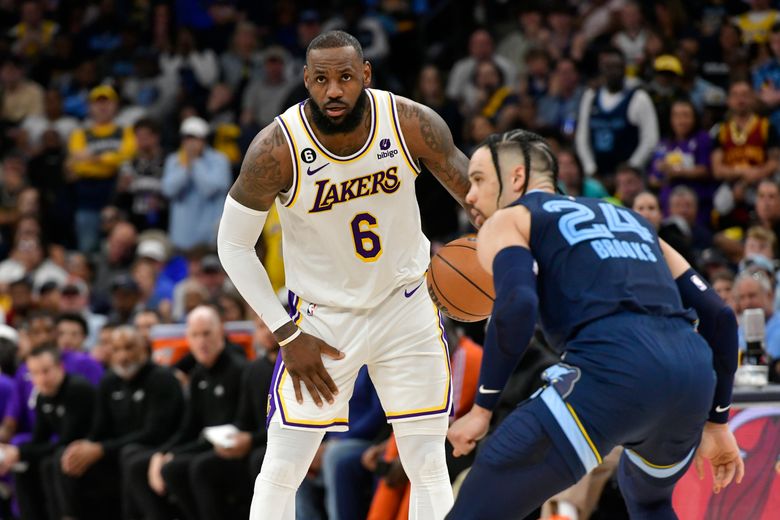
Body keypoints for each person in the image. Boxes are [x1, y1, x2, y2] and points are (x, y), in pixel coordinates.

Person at [217, 30, 473, 520]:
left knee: (427, 463)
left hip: (408, 305)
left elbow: (476, 198)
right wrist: (286, 331)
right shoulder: (277, 147)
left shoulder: (409, 122)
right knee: (282, 465)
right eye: (321, 79)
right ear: (306, 80)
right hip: (322, 321)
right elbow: (231, 245)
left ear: (366, 76)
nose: (333, 90)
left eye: (345, 77)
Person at [446, 129, 743, 519]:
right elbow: (720, 317)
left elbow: (517, 305)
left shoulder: (511, 219)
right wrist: (718, 422)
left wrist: (482, 409)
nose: (469, 196)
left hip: (613, 369)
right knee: (650, 501)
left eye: (479, 179)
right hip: (690, 377)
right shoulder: (631, 219)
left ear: (516, 178)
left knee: (476, 506)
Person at [0, 344, 95, 520]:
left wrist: (20, 452)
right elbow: (39, 439)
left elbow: (68, 439)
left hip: (89, 451)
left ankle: (67, 516)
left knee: (54, 460)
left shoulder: (77, 389)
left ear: (60, 368)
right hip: (64, 451)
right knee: (22, 466)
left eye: (46, 371)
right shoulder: (43, 396)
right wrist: (11, 454)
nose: (41, 379)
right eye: (34, 374)